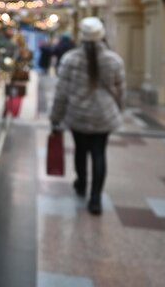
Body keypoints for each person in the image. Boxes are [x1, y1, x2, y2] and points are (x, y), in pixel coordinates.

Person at [50, 17, 125, 215]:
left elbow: (62, 92)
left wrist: (55, 117)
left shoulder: (70, 59)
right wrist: (119, 110)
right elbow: (120, 91)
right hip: (103, 114)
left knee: (81, 150)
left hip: (78, 114)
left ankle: (81, 183)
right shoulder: (113, 60)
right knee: (99, 153)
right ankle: (96, 199)